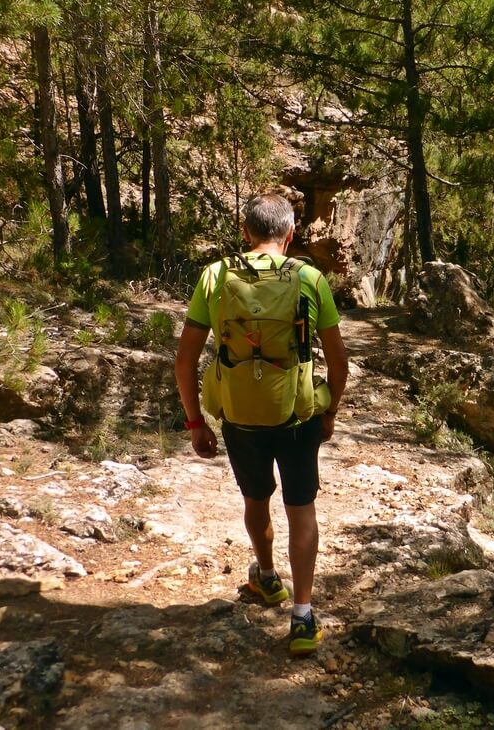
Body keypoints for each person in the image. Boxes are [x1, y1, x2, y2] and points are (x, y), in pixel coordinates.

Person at [174, 193, 348, 656]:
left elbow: (185, 358)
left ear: (246, 232)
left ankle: (268, 578)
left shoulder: (214, 276)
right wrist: (329, 413)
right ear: (290, 235)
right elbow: (338, 360)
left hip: (240, 417)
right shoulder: (309, 278)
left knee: (256, 499)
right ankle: (304, 617)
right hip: (298, 416)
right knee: (301, 508)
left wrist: (196, 421)